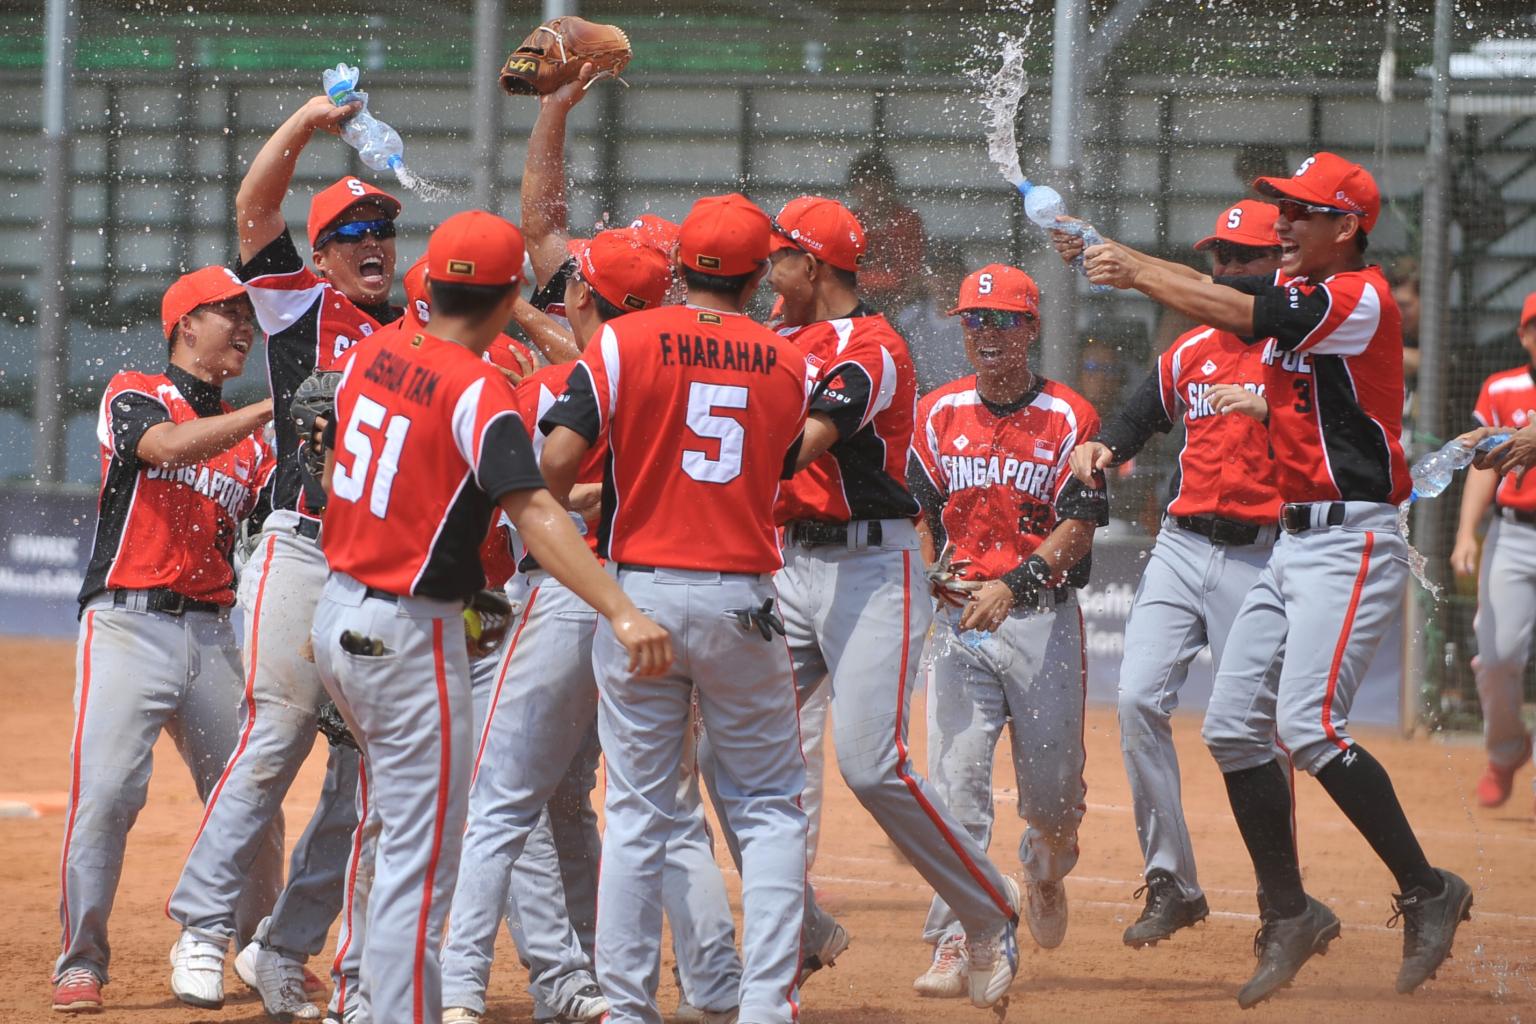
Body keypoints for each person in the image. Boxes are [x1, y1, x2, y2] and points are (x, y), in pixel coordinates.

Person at [1070, 151, 1472, 1006]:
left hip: (1349, 542)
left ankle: (1428, 887)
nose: (1282, 224)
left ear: (1348, 227)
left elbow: (1239, 308)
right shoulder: (1311, 311)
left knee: (1311, 728)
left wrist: (1136, 268)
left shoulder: (1357, 297)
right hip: (1293, 542)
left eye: (1301, 212)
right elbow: (1260, 344)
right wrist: (1264, 406)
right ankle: (1291, 912)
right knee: (1231, 729)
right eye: (1278, 210)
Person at [311, 210, 671, 1024]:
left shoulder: (370, 350)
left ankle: (367, 998)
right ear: (512, 296)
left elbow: (347, 469)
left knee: (400, 827)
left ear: (430, 282)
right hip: (406, 632)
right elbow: (535, 512)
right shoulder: (477, 387)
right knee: (422, 860)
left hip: (340, 612)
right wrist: (618, 607)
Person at [439, 228, 723, 1024]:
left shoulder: (553, 386)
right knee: (663, 810)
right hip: (663, 596)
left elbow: (530, 504)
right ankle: (711, 982)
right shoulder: (684, 379)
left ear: (581, 298)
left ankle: (460, 988)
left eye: (572, 284)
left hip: (566, 598)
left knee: (499, 802)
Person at [539, 193, 809, 1024]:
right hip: (742, 599)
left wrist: (570, 506)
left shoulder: (624, 338)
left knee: (638, 812)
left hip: (641, 592)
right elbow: (781, 461)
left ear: (682, 267)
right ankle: (765, 1007)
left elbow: (554, 459)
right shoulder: (787, 357)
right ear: (761, 275)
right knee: (768, 810)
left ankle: (627, 1008)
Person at [757, 194, 1023, 1010]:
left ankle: (988, 911)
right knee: (728, 757)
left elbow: (799, 446)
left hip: (868, 568)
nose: (768, 269)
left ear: (812, 265)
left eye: (779, 256)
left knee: (872, 765)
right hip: (786, 563)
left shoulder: (874, 346)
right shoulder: (776, 335)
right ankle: (798, 927)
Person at [165, 92, 399, 1019]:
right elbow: (255, 210)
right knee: (275, 740)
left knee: (366, 773)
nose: (370, 239)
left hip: (384, 567)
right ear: (322, 252)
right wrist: (305, 123)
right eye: (349, 230)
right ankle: (201, 930)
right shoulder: (300, 301)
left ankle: (281, 945)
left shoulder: (418, 327)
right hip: (303, 553)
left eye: (382, 224)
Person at [53, 266, 280, 1014]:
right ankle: (80, 958)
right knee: (109, 793)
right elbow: (167, 448)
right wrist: (273, 411)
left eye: (249, 317)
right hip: (129, 622)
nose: (244, 329)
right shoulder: (136, 389)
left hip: (215, 630)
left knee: (251, 798)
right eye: (229, 315)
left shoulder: (258, 449)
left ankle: (258, 949)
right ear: (186, 324)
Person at [1066, 201, 1285, 948]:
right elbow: (1140, 414)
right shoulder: (1192, 346)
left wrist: (1270, 409)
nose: (1226, 269)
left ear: (1278, 265)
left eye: (1243, 257)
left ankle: (1281, 905)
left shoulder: (1299, 349)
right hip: (1184, 544)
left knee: (1253, 732)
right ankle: (1173, 882)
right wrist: (1103, 445)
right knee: (1133, 700)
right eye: (1219, 257)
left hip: (1265, 553)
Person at [907, 264, 1106, 997]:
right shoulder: (936, 412)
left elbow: (1080, 529)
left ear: (1031, 328)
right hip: (961, 627)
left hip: (1040, 621)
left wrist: (1014, 582)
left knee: (1052, 799)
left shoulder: (1070, 416)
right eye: (975, 321)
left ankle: (1046, 864)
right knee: (954, 786)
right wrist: (931, 574)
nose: (987, 335)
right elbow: (917, 512)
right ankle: (959, 935)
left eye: (1004, 322)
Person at [1451, 290, 1536, 813]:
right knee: (1498, 655)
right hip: (1514, 532)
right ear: (1524, 335)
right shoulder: (1502, 388)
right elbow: (1486, 468)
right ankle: (1505, 752)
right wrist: (1466, 533)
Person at [846, 149, 925, 311]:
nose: (872, 191)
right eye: (865, 184)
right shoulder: (849, 222)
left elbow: (914, 273)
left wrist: (897, 306)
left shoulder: (907, 221)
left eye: (878, 183)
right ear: (854, 190)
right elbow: (844, 275)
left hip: (904, 304)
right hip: (858, 301)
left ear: (890, 187)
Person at [894, 239, 971, 394]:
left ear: (963, 277)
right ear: (925, 279)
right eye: (936, 273)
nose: (943, 281)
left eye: (950, 272)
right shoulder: (908, 319)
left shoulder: (974, 322)